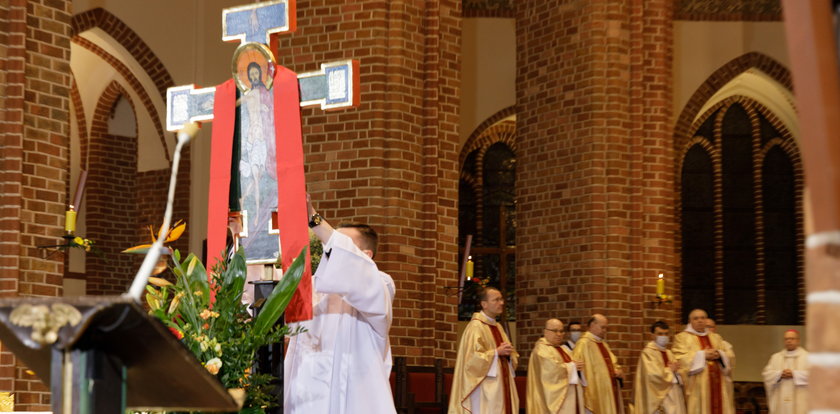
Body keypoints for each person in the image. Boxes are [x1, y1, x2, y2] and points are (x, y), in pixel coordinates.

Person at [284, 196, 397, 414]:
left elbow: (356, 275)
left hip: (355, 400)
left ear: (366, 256)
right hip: (307, 399)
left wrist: (313, 219)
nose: (330, 250)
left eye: (338, 245)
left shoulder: (381, 285)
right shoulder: (314, 287)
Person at [449, 287, 519, 414]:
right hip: (483, 388)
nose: (502, 303)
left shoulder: (498, 327)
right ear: (484, 304)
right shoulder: (475, 327)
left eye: (502, 299)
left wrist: (509, 354)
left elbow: (510, 356)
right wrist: (496, 352)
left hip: (501, 386)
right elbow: (471, 360)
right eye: (496, 300)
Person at [671, 309, 734, 414]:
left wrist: (720, 354)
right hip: (697, 387)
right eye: (696, 318)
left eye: (703, 318)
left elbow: (730, 355)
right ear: (690, 321)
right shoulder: (682, 338)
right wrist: (702, 355)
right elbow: (679, 358)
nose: (700, 321)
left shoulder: (716, 337)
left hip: (719, 383)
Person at [527, 318, 586, 414]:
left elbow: (573, 366)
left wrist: (577, 366)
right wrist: (572, 367)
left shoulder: (564, 349)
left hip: (570, 397)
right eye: (555, 331)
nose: (559, 334)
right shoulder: (541, 350)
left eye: (561, 331)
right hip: (556, 400)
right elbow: (551, 372)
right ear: (545, 332)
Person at [572, 314, 624, 414]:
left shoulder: (603, 343)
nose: (604, 330)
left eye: (606, 328)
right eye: (602, 327)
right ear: (592, 325)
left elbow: (613, 363)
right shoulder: (583, 344)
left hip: (607, 392)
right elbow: (577, 369)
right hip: (594, 393)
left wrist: (618, 370)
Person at [633, 321, 686, 414]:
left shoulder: (669, 353)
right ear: (652, 335)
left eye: (666, 334)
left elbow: (678, 372)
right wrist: (670, 370)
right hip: (659, 396)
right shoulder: (648, 352)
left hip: (674, 394)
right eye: (660, 334)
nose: (664, 337)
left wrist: (678, 372)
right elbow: (652, 375)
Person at [762, 330, 809, 414]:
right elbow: (767, 375)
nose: (789, 341)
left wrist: (794, 374)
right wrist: (779, 374)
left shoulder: (807, 357)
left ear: (798, 341)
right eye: (786, 339)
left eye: (792, 338)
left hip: (800, 403)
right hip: (780, 403)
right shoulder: (776, 357)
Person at [705, 318, 735, 403]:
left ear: (715, 328)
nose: (708, 329)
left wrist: (720, 355)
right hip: (704, 384)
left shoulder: (723, 343)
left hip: (721, 382)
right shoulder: (697, 342)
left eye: (710, 327)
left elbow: (731, 357)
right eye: (706, 326)